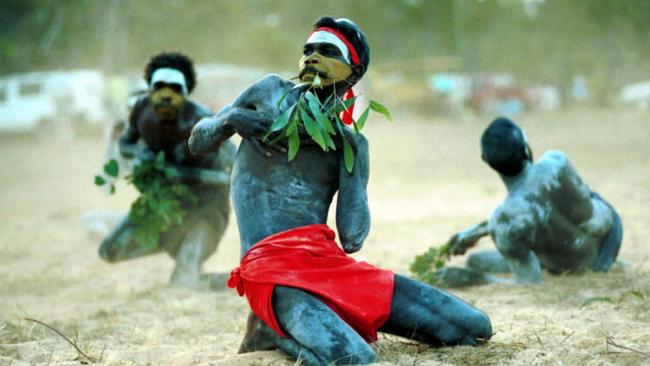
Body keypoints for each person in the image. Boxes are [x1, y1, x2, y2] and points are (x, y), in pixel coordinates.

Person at [189, 17, 491, 365]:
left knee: (472, 326)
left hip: (327, 265)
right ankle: (275, 330)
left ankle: (295, 326)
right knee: (354, 358)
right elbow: (198, 141)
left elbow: (352, 239)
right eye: (308, 50)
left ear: (352, 71)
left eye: (326, 51)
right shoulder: (269, 92)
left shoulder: (346, 141)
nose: (311, 58)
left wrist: (356, 165)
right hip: (272, 272)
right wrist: (229, 121)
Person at [99, 52, 236, 290]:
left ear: (185, 91)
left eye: (174, 87)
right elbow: (127, 145)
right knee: (109, 250)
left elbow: (232, 174)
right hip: (164, 210)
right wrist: (145, 160)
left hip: (205, 214)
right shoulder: (142, 110)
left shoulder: (203, 121)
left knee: (183, 286)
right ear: (150, 89)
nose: (166, 94)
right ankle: (174, 248)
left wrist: (183, 174)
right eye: (159, 86)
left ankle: (236, 282)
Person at [439, 117, 623, 287]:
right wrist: (477, 231)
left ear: (485, 160)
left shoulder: (502, 222)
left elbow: (529, 282)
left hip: (571, 267)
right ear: (525, 147)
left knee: (485, 259)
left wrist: (474, 278)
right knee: (475, 260)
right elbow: (539, 204)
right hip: (609, 239)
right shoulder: (557, 162)